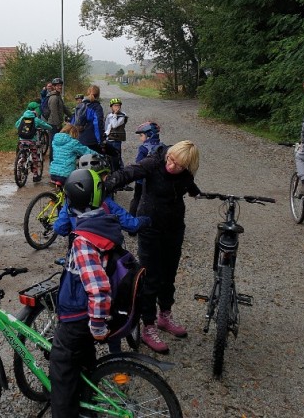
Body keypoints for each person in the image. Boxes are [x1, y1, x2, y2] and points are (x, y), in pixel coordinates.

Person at [48, 168, 147, 418]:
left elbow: (98, 287)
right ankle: (86, 405)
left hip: (78, 317)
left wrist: (98, 325)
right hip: (85, 317)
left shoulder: (84, 240)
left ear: (70, 201)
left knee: (61, 369)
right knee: (84, 360)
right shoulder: (106, 223)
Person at [103, 140, 202, 354]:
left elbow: (187, 182)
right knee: (150, 277)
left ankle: (165, 315)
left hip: (174, 227)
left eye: (178, 165)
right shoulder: (154, 162)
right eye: (171, 160)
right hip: (150, 226)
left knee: (169, 274)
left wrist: (196, 192)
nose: (171, 166)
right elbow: (128, 173)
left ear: (187, 166)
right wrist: (104, 185)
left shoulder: (186, 171)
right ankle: (148, 326)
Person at [130, 121, 164, 215]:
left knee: (137, 199)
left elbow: (138, 163)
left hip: (141, 181)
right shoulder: (162, 146)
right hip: (155, 180)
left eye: (141, 135)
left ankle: (132, 218)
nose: (140, 138)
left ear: (149, 135)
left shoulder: (143, 148)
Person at [15, 101, 53, 182]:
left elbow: (16, 125)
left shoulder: (22, 118)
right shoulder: (35, 119)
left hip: (22, 141)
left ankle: (18, 171)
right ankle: (35, 175)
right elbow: (46, 126)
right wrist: (50, 128)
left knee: (23, 157)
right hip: (31, 141)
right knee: (35, 158)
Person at [73, 84, 106, 155]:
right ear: (98, 95)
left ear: (87, 93)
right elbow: (97, 124)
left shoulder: (80, 105)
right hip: (92, 140)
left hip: (80, 139)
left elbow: (73, 122)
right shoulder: (96, 107)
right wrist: (100, 141)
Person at [46, 77, 71, 162]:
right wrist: (58, 125)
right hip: (53, 124)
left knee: (57, 142)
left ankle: (56, 159)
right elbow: (54, 113)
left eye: (60, 85)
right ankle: (52, 161)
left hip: (57, 124)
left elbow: (64, 108)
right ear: (53, 87)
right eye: (57, 85)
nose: (60, 87)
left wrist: (72, 116)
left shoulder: (58, 96)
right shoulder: (54, 98)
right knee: (53, 143)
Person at [104, 98, 128, 171]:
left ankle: (120, 172)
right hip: (108, 139)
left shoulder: (122, 116)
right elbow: (106, 126)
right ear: (111, 107)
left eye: (118, 105)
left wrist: (115, 115)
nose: (117, 107)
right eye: (115, 105)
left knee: (117, 157)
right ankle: (111, 171)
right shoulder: (108, 115)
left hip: (116, 140)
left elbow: (114, 125)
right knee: (108, 157)